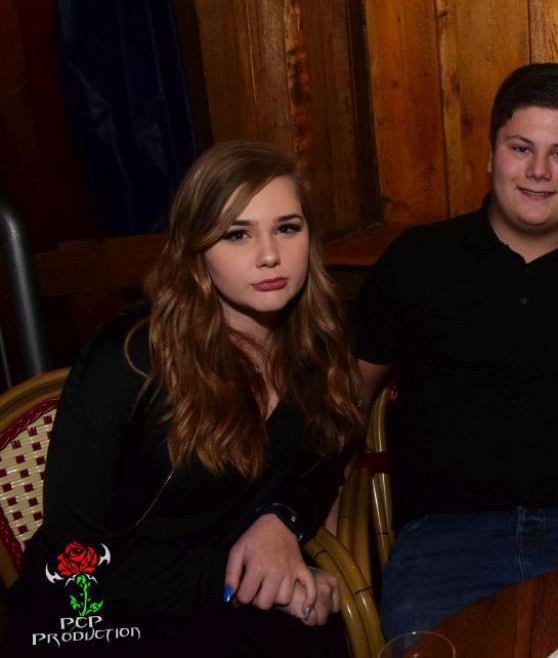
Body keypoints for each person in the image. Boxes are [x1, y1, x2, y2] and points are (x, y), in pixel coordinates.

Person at [5, 141, 360, 656]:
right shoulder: (132, 358)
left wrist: (282, 519)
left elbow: (325, 456)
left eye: (287, 228)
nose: (269, 255)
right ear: (196, 249)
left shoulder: (317, 345)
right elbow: (76, 552)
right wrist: (259, 576)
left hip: (224, 608)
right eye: (237, 234)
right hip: (95, 615)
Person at [354, 63, 558, 637]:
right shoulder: (418, 260)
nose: (539, 170)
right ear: (492, 155)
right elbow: (343, 396)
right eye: (521, 148)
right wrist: (304, 504)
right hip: (443, 541)